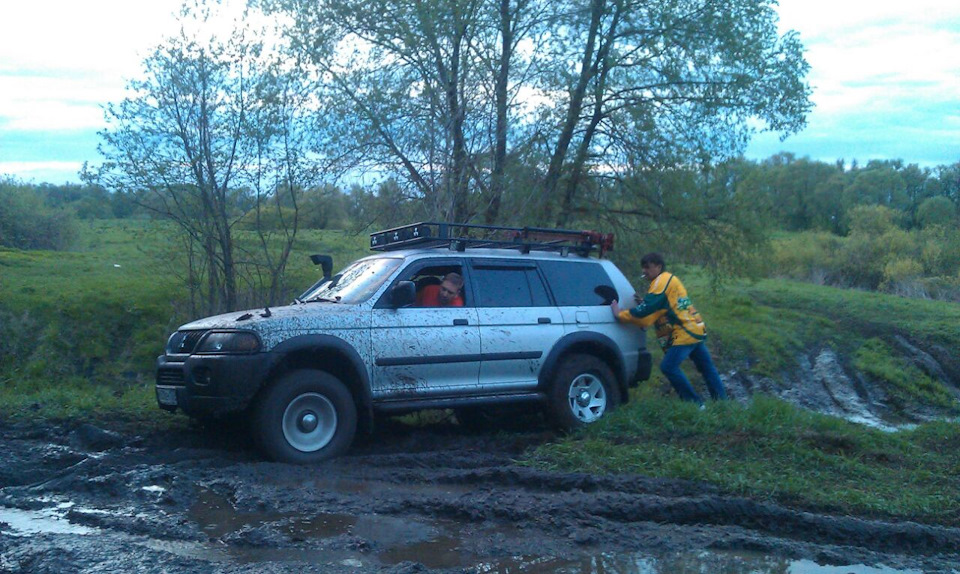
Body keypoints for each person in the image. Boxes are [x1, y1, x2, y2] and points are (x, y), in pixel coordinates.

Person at [610, 253, 726, 406]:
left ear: (659, 266)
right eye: (643, 267)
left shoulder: (661, 281)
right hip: (696, 328)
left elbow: (646, 311)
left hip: (685, 332)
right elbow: (656, 311)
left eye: (648, 267)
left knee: (668, 367)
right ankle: (723, 403)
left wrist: (620, 314)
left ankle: (695, 404)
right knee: (707, 368)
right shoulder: (671, 281)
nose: (644, 271)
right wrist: (644, 306)